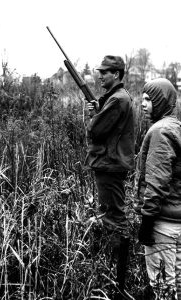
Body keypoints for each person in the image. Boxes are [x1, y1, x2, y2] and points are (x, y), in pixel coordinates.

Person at [86, 55, 135, 299]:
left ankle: (119, 281)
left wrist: (94, 116)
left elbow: (95, 132)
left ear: (116, 74)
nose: (100, 75)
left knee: (114, 217)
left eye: (105, 72)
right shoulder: (116, 98)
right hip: (110, 164)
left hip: (110, 164)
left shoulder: (117, 100)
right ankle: (114, 274)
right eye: (100, 71)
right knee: (111, 215)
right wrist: (98, 108)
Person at [136, 78, 181, 300]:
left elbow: (156, 181)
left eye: (148, 99)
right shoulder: (176, 127)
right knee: (177, 288)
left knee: (163, 287)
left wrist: (146, 221)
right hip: (176, 221)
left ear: (161, 101)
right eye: (142, 98)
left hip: (162, 226)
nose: (143, 104)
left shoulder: (160, 131)